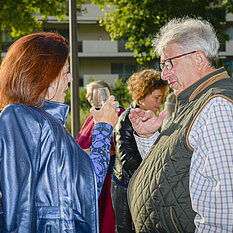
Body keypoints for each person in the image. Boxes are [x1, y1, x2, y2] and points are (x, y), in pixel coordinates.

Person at [0, 32, 119, 232]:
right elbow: (20, 209)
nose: (71, 79)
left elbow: (86, 190)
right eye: (65, 72)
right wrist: (103, 129)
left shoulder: (44, 122)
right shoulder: (19, 117)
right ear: (44, 76)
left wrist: (103, 128)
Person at [127, 17, 233, 232]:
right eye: (162, 65)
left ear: (199, 59)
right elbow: (174, 169)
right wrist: (149, 138)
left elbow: (224, 209)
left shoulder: (217, 105)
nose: (164, 74)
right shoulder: (195, 99)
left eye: (169, 63)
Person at [111, 69, 167, 233]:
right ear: (142, 95)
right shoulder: (125, 120)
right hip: (124, 186)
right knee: (125, 229)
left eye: (162, 98)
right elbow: (128, 161)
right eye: (157, 97)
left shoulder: (152, 118)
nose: (160, 102)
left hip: (140, 184)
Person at [76, 80, 124, 233]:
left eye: (94, 94)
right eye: (88, 95)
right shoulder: (93, 115)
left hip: (105, 174)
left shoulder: (116, 113)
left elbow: (116, 147)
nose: (90, 98)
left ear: (106, 93)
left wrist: (86, 153)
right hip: (87, 173)